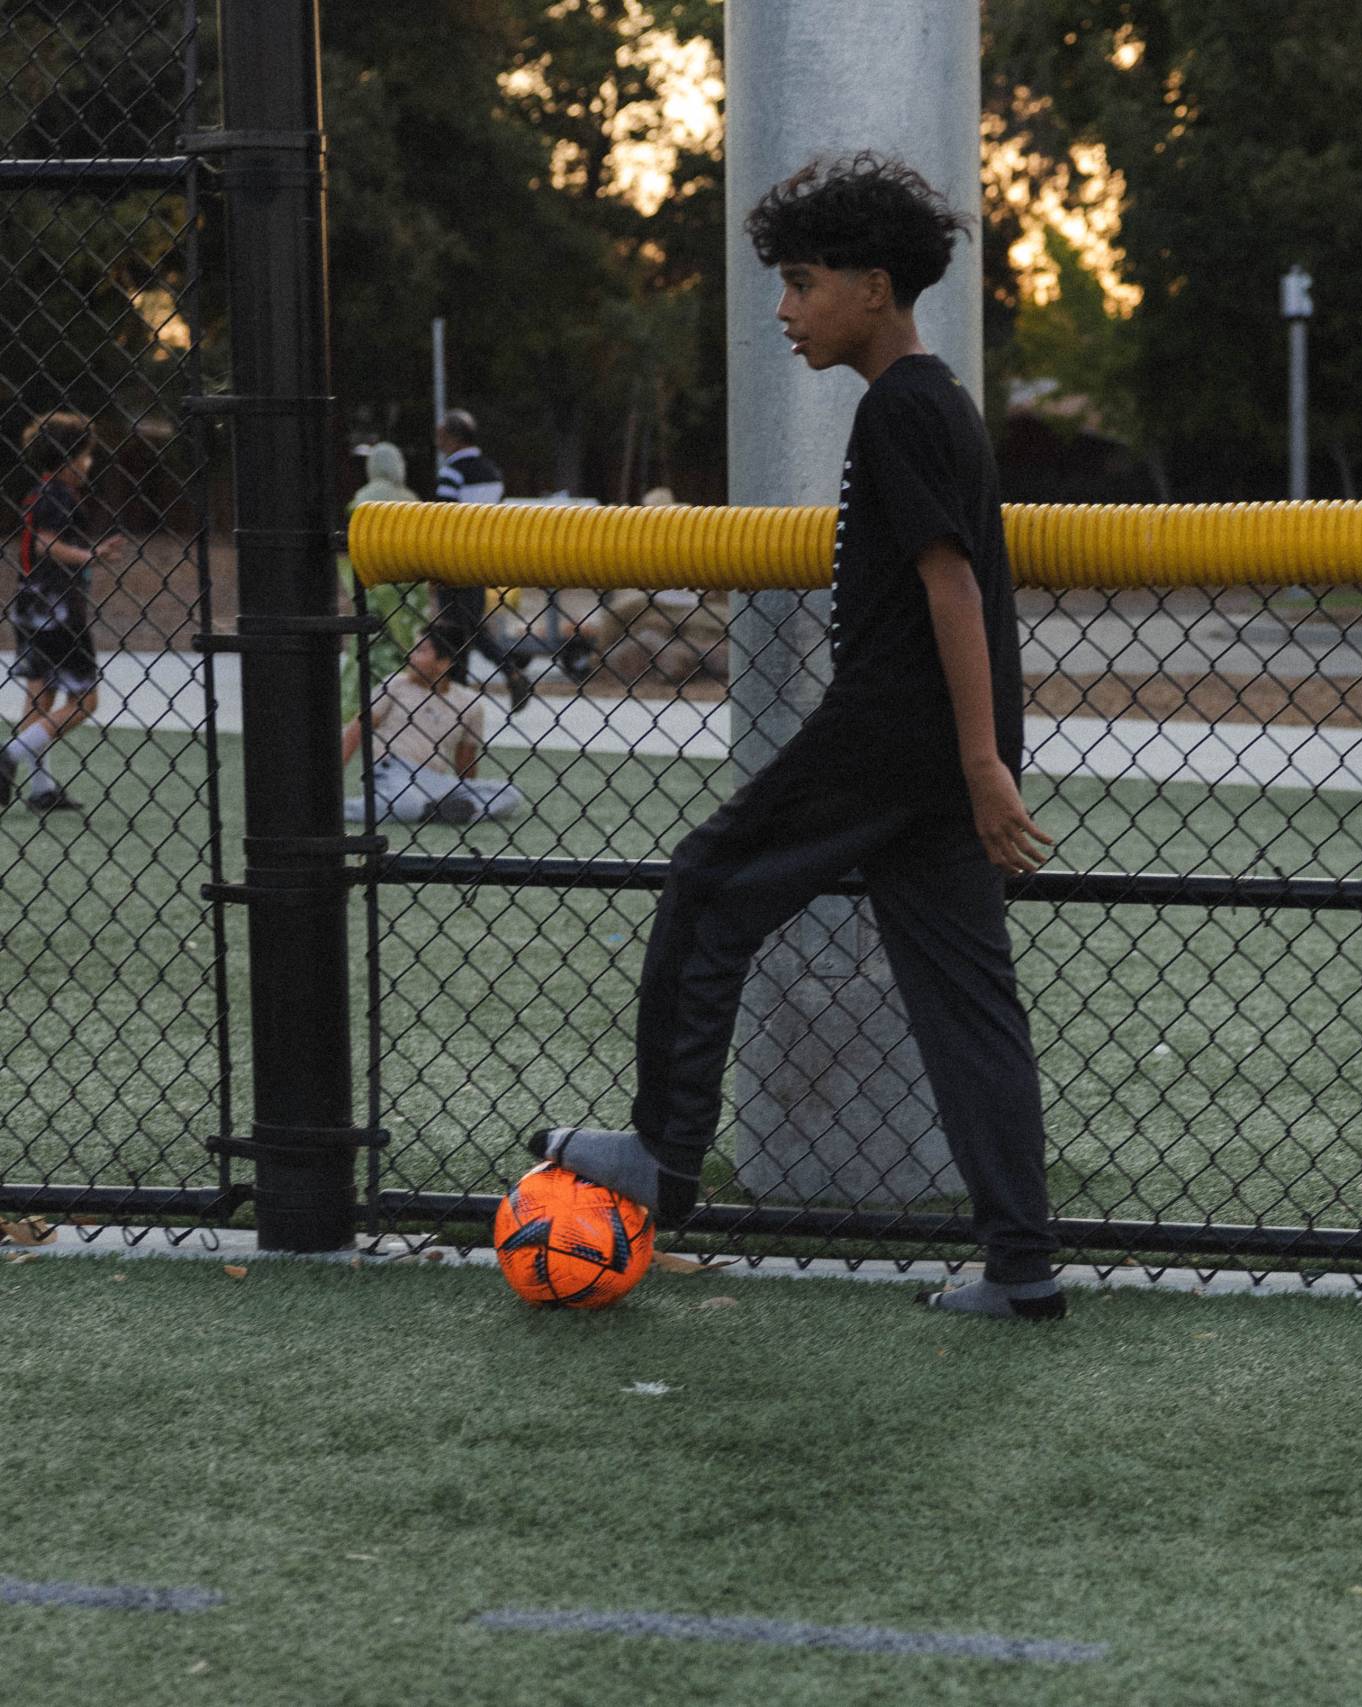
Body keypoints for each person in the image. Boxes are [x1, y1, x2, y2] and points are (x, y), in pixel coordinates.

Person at [528, 153, 1066, 1321]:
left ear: (874, 287)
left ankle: (662, 1161)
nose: (783, 311)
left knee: (709, 886)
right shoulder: (933, 402)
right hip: (929, 751)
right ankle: (1021, 1268)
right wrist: (974, 763)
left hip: (891, 736)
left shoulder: (904, 405)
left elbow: (953, 588)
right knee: (967, 1000)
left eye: (802, 283)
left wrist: (981, 766)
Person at [5, 412, 128, 814]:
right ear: (71, 457)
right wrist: (92, 555)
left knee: (40, 695)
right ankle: (9, 754)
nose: (88, 464)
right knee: (84, 700)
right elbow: (47, 544)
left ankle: (40, 789)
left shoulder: (39, 492)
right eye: (85, 456)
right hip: (56, 608)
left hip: (29, 602)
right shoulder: (57, 495)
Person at [340, 622, 523, 824]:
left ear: (444, 662)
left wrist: (465, 793)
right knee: (405, 803)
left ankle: (433, 810)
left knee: (508, 794)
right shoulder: (395, 685)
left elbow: (466, 761)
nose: (410, 656)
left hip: (436, 781)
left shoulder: (469, 704)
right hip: (393, 771)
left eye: (420, 650)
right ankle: (343, 810)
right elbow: (356, 731)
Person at [428, 409, 534, 711]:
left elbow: (442, 518)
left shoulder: (452, 472)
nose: (438, 442)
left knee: (455, 629)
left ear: (453, 437)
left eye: (441, 435)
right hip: (479, 560)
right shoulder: (492, 471)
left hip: (453, 561)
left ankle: (459, 691)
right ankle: (505, 673)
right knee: (471, 627)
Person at [346, 440, 430, 720]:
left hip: (371, 581)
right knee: (403, 648)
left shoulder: (361, 499)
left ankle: (360, 709)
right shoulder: (410, 499)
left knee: (370, 647)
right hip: (406, 581)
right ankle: (404, 709)